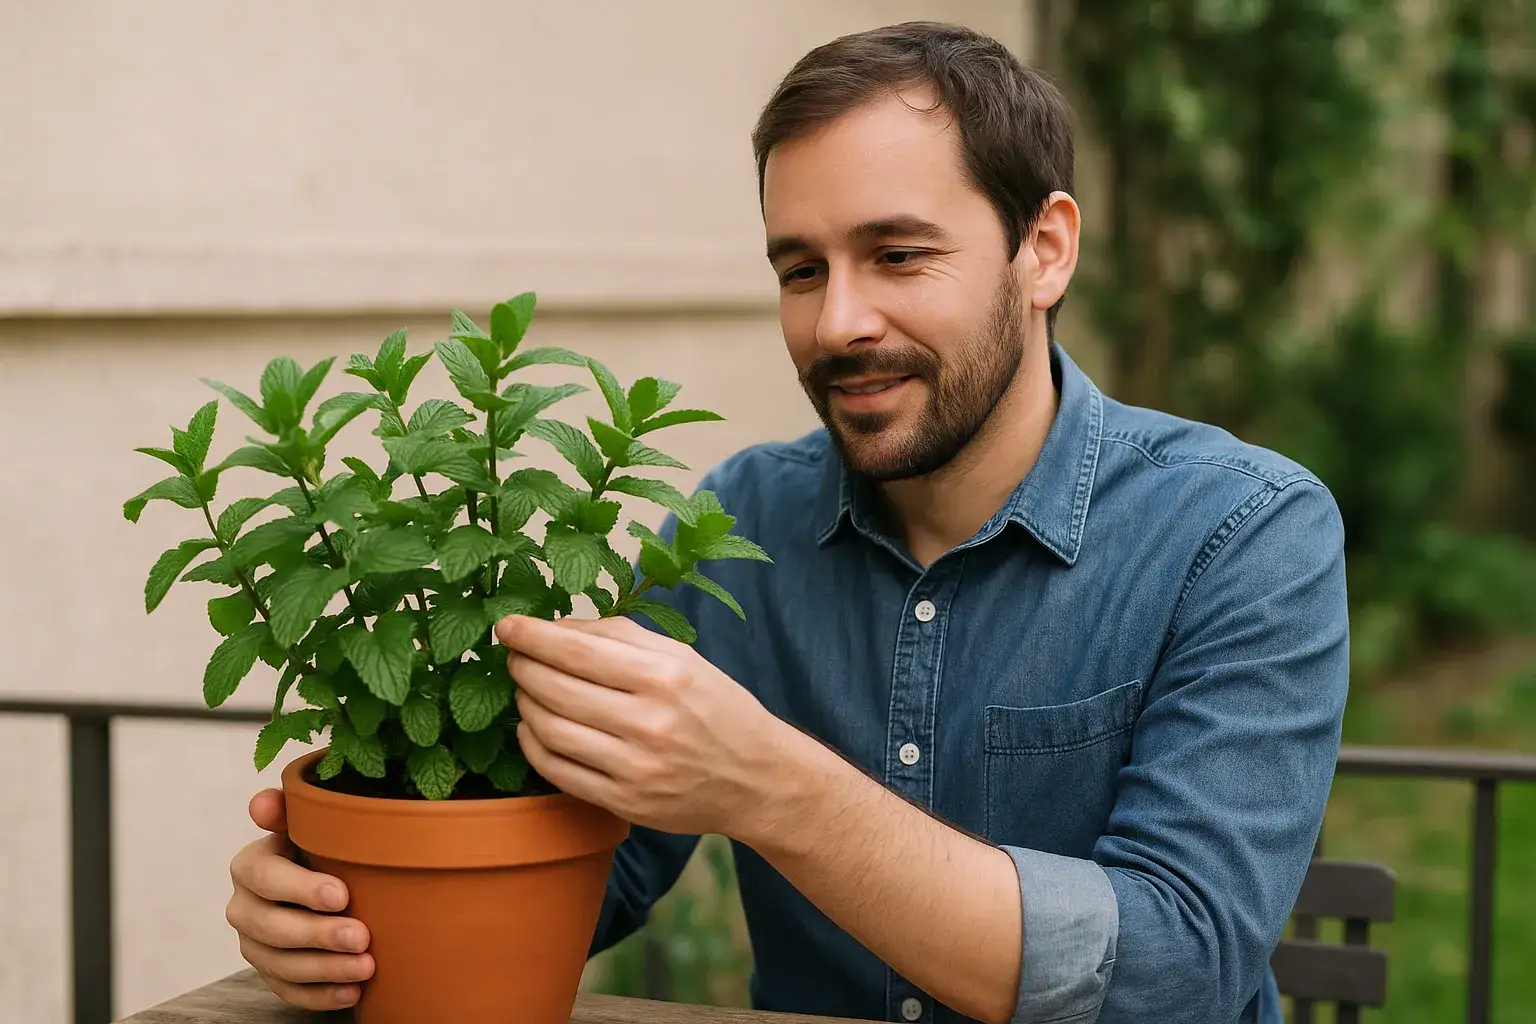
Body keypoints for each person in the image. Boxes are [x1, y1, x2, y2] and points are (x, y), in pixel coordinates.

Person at [224, 21, 1348, 1024]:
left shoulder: (1243, 532)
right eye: (800, 269)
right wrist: (344, 902)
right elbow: (595, 870)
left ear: (1044, 247)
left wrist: (771, 788)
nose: (839, 320)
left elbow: (1177, 967)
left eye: (897, 254)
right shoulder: (741, 517)